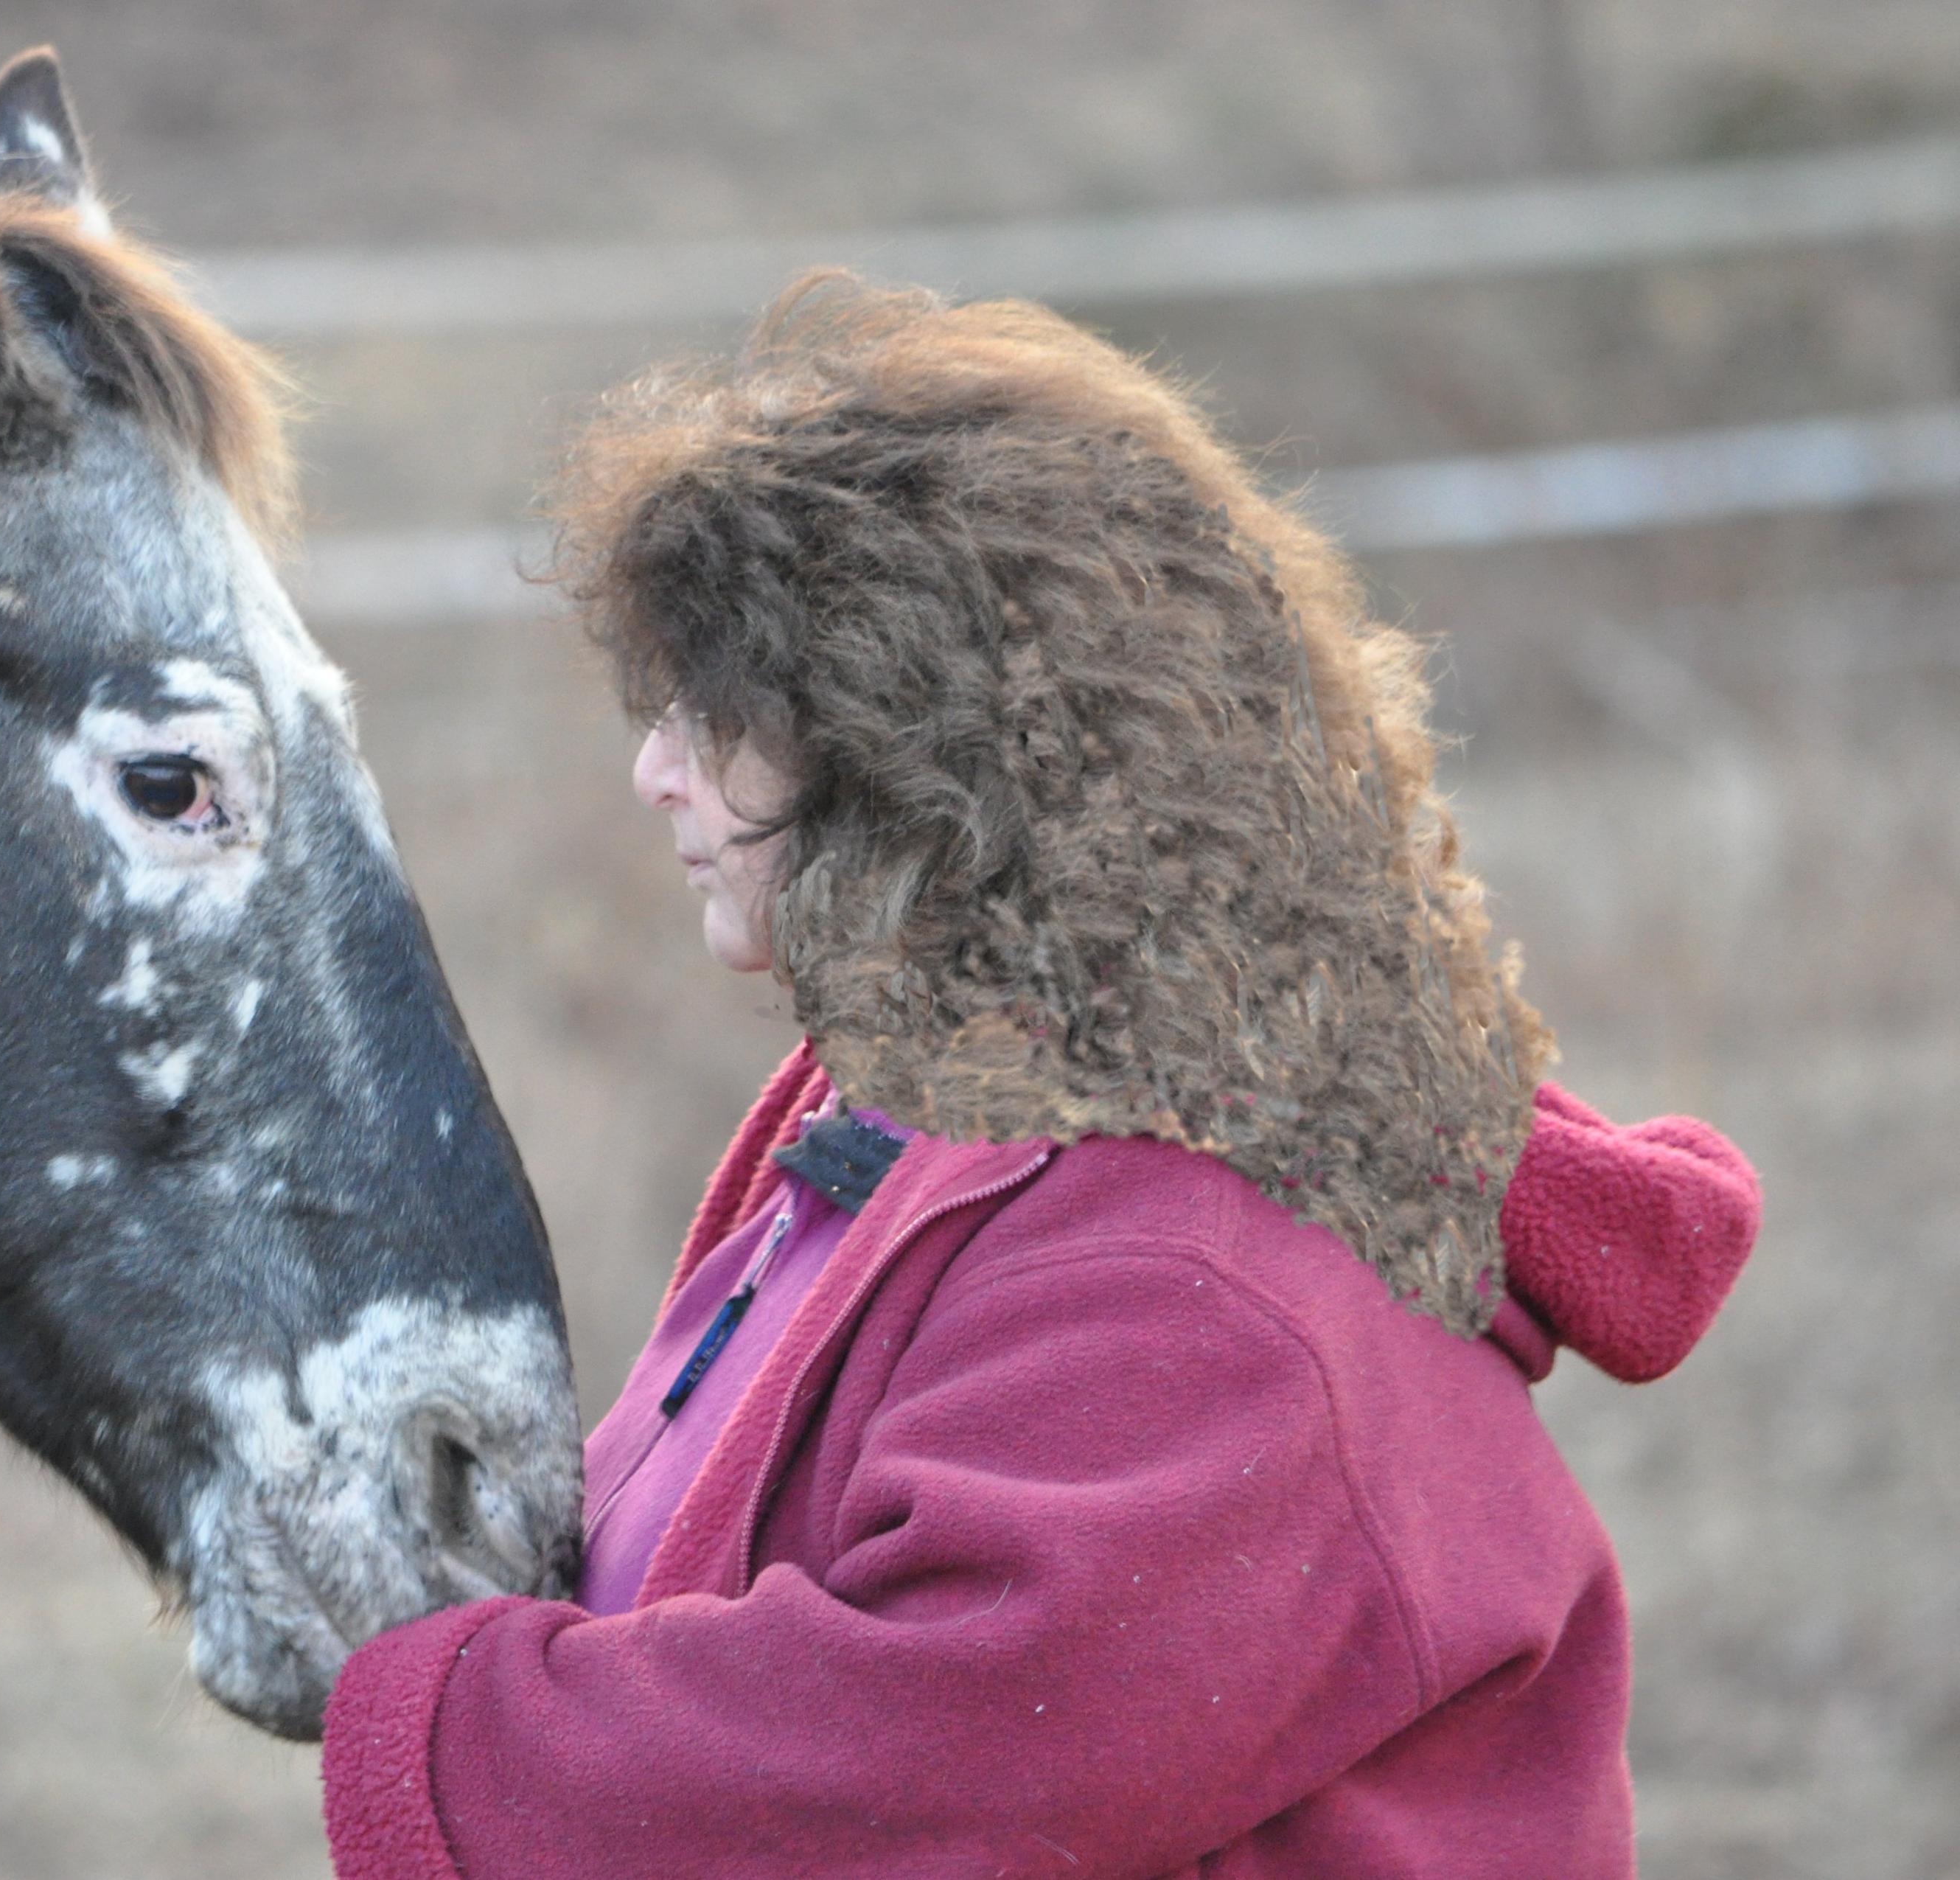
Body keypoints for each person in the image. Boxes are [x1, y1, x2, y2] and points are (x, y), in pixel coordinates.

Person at [321, 276, 1761, 1879]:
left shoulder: (1197, 1275)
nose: (653, 770)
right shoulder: (912, 1115)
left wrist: (450, 1728)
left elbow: (923, 1764)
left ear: (919, 748)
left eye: (714, 712)